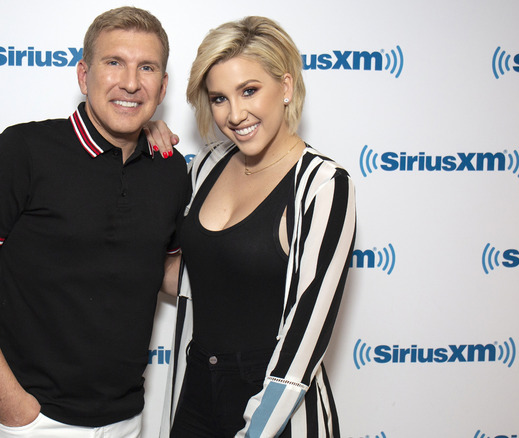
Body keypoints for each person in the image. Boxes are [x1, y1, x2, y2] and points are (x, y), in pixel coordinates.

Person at [0, 7, 189, 438]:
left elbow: (164, 270)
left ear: (162, 86)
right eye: (114, 63)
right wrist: (9, 401)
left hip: (126, 417)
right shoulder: (24, 151)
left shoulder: (169, 167)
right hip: (34, 420)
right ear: (83, 75)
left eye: (146, 67)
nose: (130, 82)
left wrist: (250, 269)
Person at [161, 16, 357, 438]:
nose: (235, 114)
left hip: (276, 405)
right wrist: (144, 140)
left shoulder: (322, 185)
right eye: (219, 99)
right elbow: (192, 279)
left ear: (285, 87)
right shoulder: (209, 165)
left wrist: (256, 430)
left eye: (249, 91)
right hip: (196, 390)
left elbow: (307, 335)